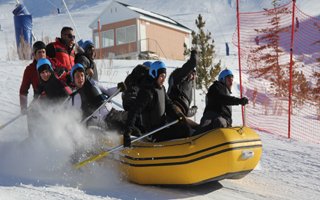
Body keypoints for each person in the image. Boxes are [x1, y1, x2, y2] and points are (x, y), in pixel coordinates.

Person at [124, 61, 190, 147]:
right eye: (161, 76)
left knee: (183, 127)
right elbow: (134, 111)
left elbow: (169, 105)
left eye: (164, 76)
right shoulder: (147, 92)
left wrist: (178, 115)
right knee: (184, 131)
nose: (163, 79)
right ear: (154, 74)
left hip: (162, 127)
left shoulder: (161, 89)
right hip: (153, 133)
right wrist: (127, 133)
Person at [70, 63, 126, 128]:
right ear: (73, 79)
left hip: (113, 112)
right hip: (103, 123)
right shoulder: (75, 97)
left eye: (82, 75)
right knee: (130, 126)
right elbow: (74, 117)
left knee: (134, 118)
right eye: (77, 76)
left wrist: (118, 88)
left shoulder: (93, 83)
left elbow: (108, 91)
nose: (80, 78)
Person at [167, 50, 198, 128]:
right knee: (188, 128)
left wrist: (193, 110)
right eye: (192, 73)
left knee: (198, 128)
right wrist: (194, 55)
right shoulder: (179, 77)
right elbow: (192, 63)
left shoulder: (185, 83)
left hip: (180, 113)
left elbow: (185, 111)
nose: (193, 77)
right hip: (174, 111)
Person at [19, 41, 47, 114]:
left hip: (52, 100)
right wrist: (23, 107)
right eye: (39, 52)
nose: (42, 55)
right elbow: (23, 90)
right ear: (34, 55)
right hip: (37, 101)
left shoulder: (52, 65)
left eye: (43, 52)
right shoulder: (30, 69)